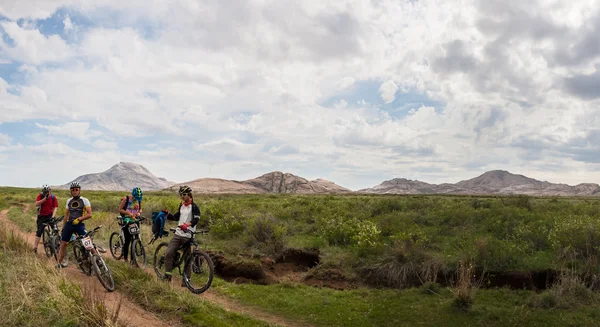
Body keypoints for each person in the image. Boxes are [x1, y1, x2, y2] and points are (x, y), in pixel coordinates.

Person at [163, 185, 201, 283]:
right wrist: (167, 215)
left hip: (188, 236)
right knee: (168, 253)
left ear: (189, 194)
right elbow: (176, 217)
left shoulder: (195, 207)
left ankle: (186, 280)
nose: (182, 196)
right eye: (181, 195)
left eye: (184, 194)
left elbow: (196, 219)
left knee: (187, 259)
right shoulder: (182, 205)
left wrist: (187, 224)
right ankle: (168, 276)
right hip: (178, 234)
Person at [56, 182, 92, 268]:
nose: (75, 191)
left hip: (79, 224)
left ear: (79, 190)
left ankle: (97, 260)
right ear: (71, 191)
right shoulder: (69, 201)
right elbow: (66, 215)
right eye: (73, 190)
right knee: (63, 244)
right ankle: (58, 264)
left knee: (87, 242)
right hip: (69, 224)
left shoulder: (84, 200)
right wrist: (64, 227)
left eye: (76, 189)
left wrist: (79, 219)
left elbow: (89, 214)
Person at [118, 187, 143, 263]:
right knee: (128, 240)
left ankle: (133, 260)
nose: (136, 199)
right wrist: (129, 213)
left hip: (135, 220)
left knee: (135, 239)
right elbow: (120, 209)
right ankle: (125, 258)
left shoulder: (139, 199)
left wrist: (139, 212)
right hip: (127, 220)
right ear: (133, 195)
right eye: (135, 198)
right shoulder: (126, 199)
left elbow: (141, 209)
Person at [33, 184, 58, 254]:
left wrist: (53, 216)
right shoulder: (40, 196)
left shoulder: (53, 197)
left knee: (56, 230)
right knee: (39, 232)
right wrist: (44, 199)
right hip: (41, 216)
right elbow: (36, 204)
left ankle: (56, 244)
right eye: (45, 192)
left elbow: (55, 207)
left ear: (50, 191)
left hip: (50, 215)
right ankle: (35, 247)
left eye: (47, 191)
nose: (46, 193)